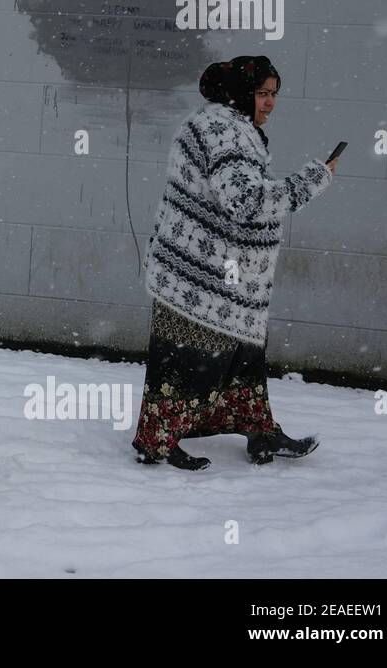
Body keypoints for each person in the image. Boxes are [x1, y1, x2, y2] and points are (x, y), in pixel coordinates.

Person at [133, 56, 336, 470]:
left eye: (274, 94)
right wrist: (312, 180)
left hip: (225, 278)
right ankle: (157, 440)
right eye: (263, 93)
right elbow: (246, 202)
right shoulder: (222, 130)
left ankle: (260, 433)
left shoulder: (224, 124)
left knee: (244, 358)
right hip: (196, 277)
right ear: (241, 92)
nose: (270, 104)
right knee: (187, 360)